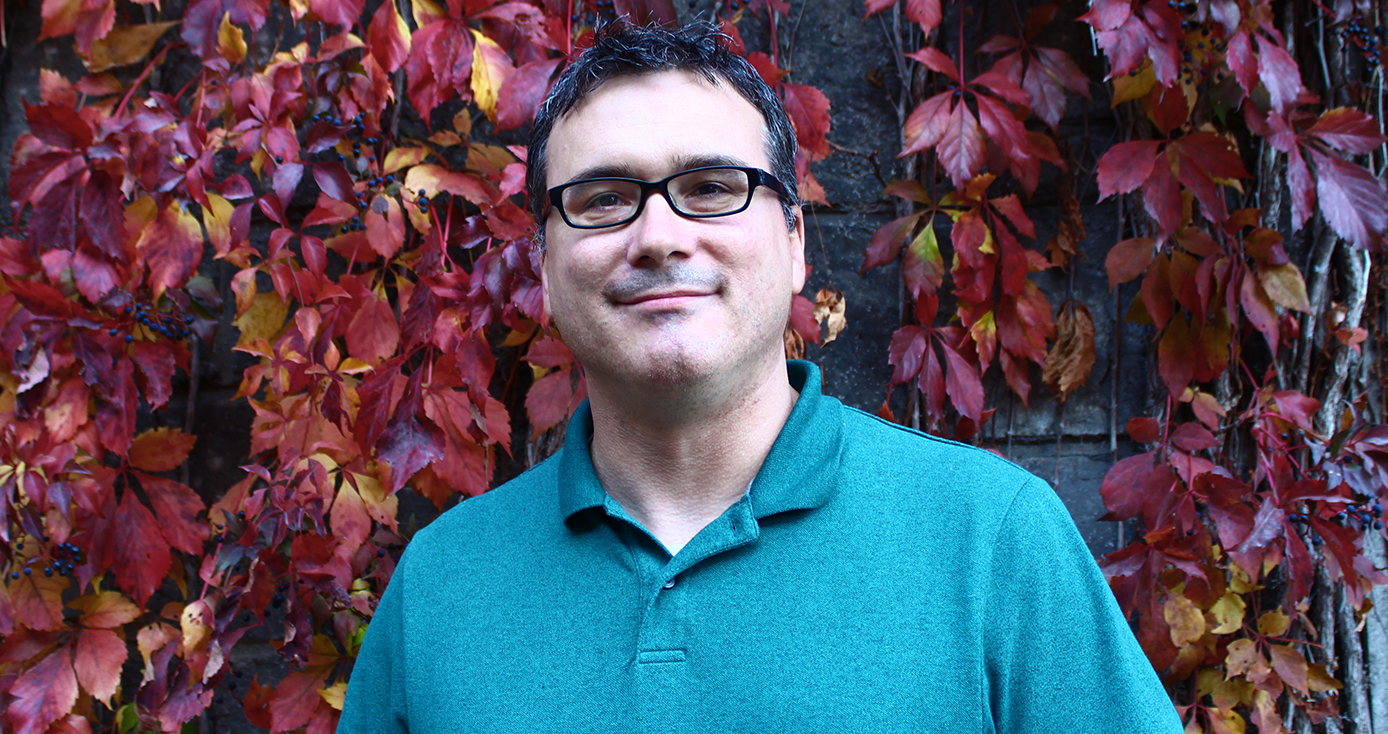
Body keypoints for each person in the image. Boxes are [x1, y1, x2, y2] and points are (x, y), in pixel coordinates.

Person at [339, 21, 1183, 733]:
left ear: (794, 242)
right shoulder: (441, 588)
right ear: (547, 266)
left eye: (711, 187)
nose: (660, 236)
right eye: (601, 199)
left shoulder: (993, 543)